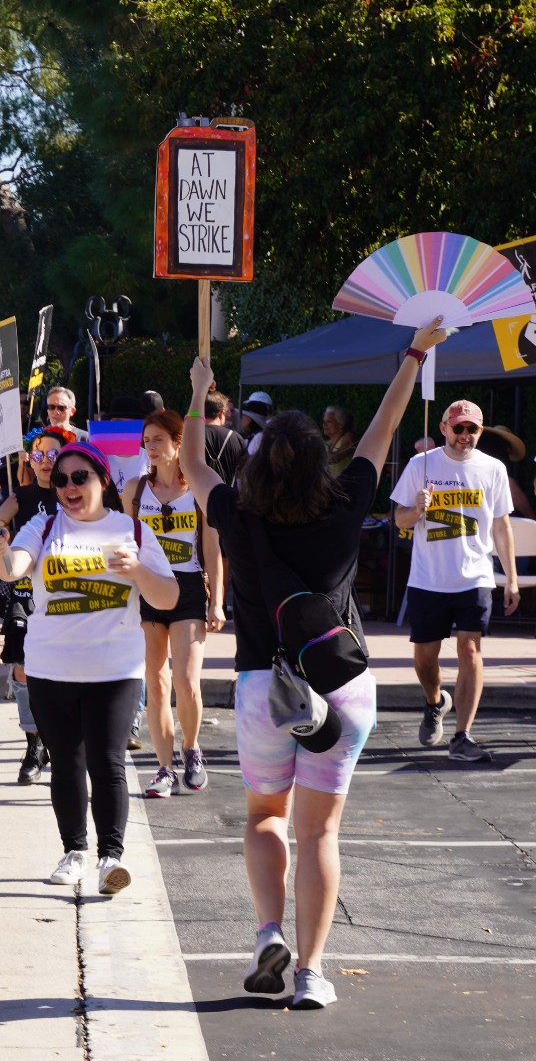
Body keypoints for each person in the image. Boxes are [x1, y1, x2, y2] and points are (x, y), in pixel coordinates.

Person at [181, 319, 449, 1010]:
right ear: (317, 461)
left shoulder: (235, 514)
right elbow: (383, 428)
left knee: (265, 817)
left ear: (259, 465)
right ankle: (311, 973)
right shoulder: (345, 502)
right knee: (320, 830)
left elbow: (192, 461)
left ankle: (267, 931)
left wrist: (199, 393)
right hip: (341, 683)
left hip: (263, 687)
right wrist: (414, 354)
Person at [0, 442, 179, 896]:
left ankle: (111, 859)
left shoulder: (131, 529)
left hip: (115, 669)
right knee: (66, 763)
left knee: (107, 761)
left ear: (102, 480)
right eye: (60, 480)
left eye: (79, 478)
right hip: (50, 667)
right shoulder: (44, 525)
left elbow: (169, 597)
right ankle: (74, 851)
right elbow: (14, 568)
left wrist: (138, 571)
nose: (69, 487)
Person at [391, 398, 518, 762]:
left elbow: (501, 526)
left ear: (480, 431)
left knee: (470, 651)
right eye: (458, 427)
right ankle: (435, 702)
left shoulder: (492, 468)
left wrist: (510, 578)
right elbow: (399, 519)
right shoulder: (421, 465)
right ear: (444, 428)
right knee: (424, 658)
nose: (464, 435)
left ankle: (463, 736)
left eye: (472, 428)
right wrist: (417, 509)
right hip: (428, 579)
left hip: (475, 576)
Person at [122, 410, 225, 797]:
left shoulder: (197, 490)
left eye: (158, 440)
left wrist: (217, 601)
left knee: (185, 679)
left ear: (178, 443)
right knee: (156, 682)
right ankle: (164, 768)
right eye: (146, 440)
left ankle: (191, 749)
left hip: (188, 587)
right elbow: (125, 540)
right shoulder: (135, 490)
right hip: (149, 587)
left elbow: (213, 548)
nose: (150, 447)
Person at [0, 425, 75, 783]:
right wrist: (1, 526)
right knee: (22, 668)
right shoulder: (19, 498)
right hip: (25, 593)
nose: (45, 461)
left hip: (65, 595)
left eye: (53, 454)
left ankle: (62, 740)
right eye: (38, 454)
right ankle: (34, 745)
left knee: (63, 672)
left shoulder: (74, 497)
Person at [204, 389, 246, 487]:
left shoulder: (191, 436)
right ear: (222, 412)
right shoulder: (235, 438)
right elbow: (244, 472)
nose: (229, 415)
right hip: (229, 493)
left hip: (197, 495)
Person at [322, 405, 357, 477]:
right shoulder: (326, 443)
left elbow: (337, 457)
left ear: (340, 424)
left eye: (329, 421)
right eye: (324, 421)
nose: (324, 425)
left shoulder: (348, 437)